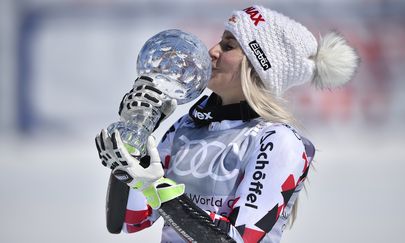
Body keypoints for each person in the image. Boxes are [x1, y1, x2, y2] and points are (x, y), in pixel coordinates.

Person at [95, 5, 359, 243]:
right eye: (220, 42)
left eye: (228, 46)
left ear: (258, 66)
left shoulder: (279, 142)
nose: (212, 51)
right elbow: (126, 221)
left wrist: (157, 190)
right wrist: (137, 135)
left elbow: (238, 240)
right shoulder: (186, 128)